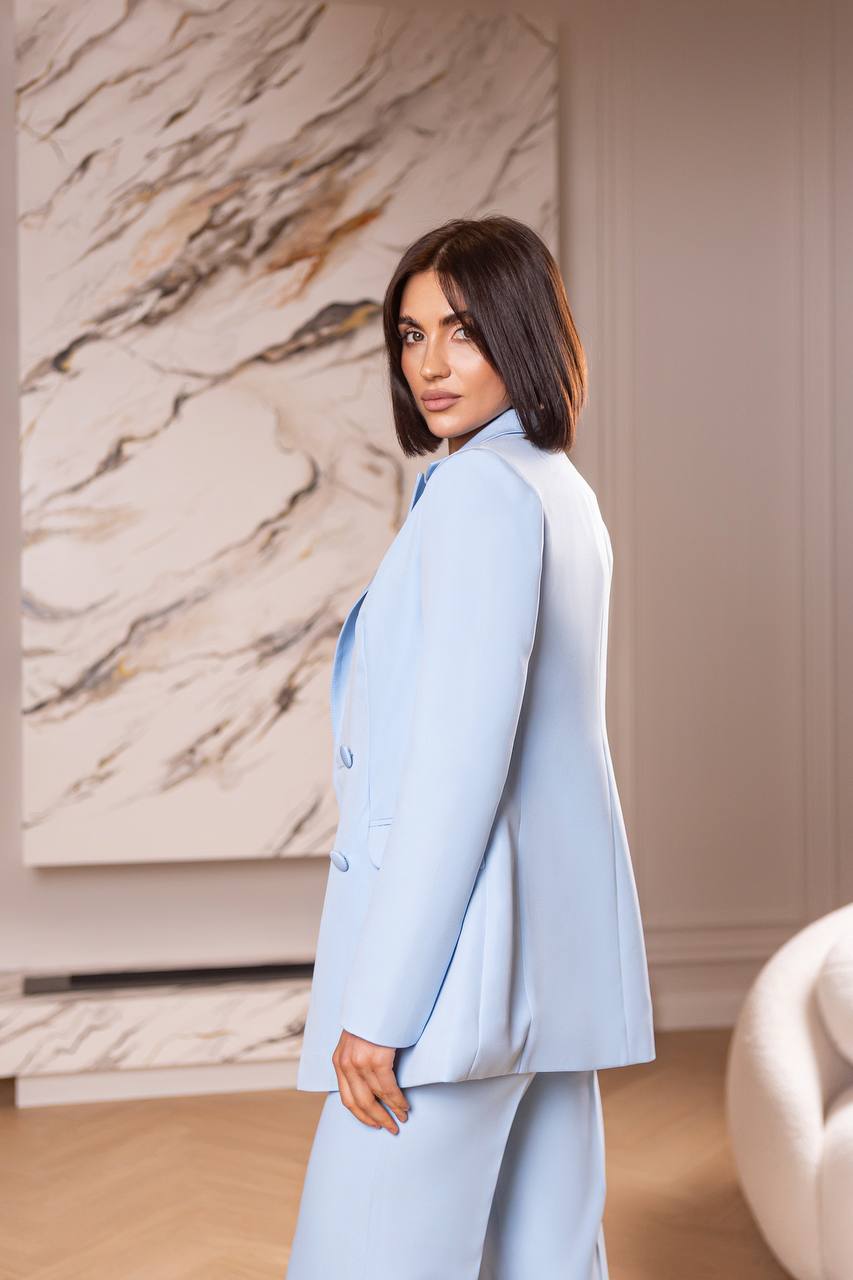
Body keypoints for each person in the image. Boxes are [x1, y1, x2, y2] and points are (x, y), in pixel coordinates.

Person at [286, 215, 655, 1279]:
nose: (430, 364)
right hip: (546, 981)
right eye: (411, 335)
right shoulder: (557, 490)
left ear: (521, 330)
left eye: (462, 329)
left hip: (453, 993)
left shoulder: (480, 496)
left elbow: (456, 776)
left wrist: (380, 1010)